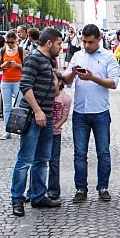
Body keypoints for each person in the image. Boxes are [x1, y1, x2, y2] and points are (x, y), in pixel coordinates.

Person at [62, 24, 120, 203]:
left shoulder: (109, 56)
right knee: (79, 153)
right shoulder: (77, 55)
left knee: (103, 152)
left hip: (100, 111)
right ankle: (81, 188)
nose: (87, 45)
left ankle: (103, 187)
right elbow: (66, 81)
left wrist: (92, 77)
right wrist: (72, 73)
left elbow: (113, 83)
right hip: (80, 111)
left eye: (91, 42)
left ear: (99, 39)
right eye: (84, 41)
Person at [10, 28, 64, 217]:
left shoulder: (48, 61)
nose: (60, 47)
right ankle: (17, 198)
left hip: (46, 116)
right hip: (35, 117)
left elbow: (53, 90)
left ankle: (38, 195)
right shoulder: (33, 58)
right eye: (58, 43)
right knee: (25, 159)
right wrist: (38, 110)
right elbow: (25, 86)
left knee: (42, 159)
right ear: (49, 43)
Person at [49, 73, 72, 201]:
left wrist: (55, 126)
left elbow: (64, 116)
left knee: (54, 161)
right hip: (43, 131)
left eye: (54, 79)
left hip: (55, 133)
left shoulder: (66, 99)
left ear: (60, 82)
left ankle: (53, 190)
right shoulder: (45, 94)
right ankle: (33, 190)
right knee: (38, 161)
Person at [0, 32, 24, 139]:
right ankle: (7, 130)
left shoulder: (21, 51)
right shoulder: (3, 51)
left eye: (12, 42)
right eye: (7, 42)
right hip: (6, 81)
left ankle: (19, 129)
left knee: (19, 105)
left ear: (16, 41)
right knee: (7, 107)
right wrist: (4, 65)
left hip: (18, 81)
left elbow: (25, 67)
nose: (9, 44)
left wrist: (17, 65)